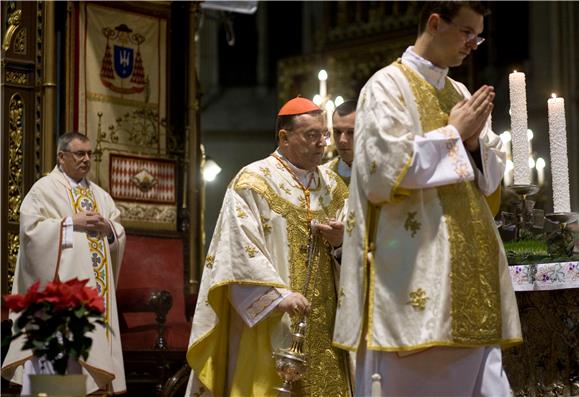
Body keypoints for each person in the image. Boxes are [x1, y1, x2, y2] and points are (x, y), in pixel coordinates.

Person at [332, 2, 522, 396]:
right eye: (466, 33)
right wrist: (453, 136)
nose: (473, 45)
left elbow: (489, 178)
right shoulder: (385, 86)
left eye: (478, 36)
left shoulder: (459, 91)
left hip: (473, 280)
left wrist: (471, 143)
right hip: (415, 289)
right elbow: (382, 172)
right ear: (435, 23)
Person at [185, 97, 351, 396]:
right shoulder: (253, 182)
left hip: (326, 321)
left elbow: (357, 248)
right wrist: (277, 297)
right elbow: (236, 251)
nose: (322, 144)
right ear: (284, 137)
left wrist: (341, 243)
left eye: (323, 135)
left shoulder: (335, 187)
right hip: (272, 318)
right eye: (311, 135)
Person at [2, 132, 126, 394]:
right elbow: (31, 231)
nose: (86, 160)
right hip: (60, 297)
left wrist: (108, 227)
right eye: (79, 154)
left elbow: (118, 230)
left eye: (90, 154)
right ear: (62, 156)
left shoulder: (101, 196)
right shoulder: (44, 189)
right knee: (60, 362)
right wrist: (71, 223)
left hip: (96, 294)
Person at [323, 100, 357, 185]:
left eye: (351, 132)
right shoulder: (323, 175)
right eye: (337, 132)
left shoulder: (378, 173)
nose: (342, 140)